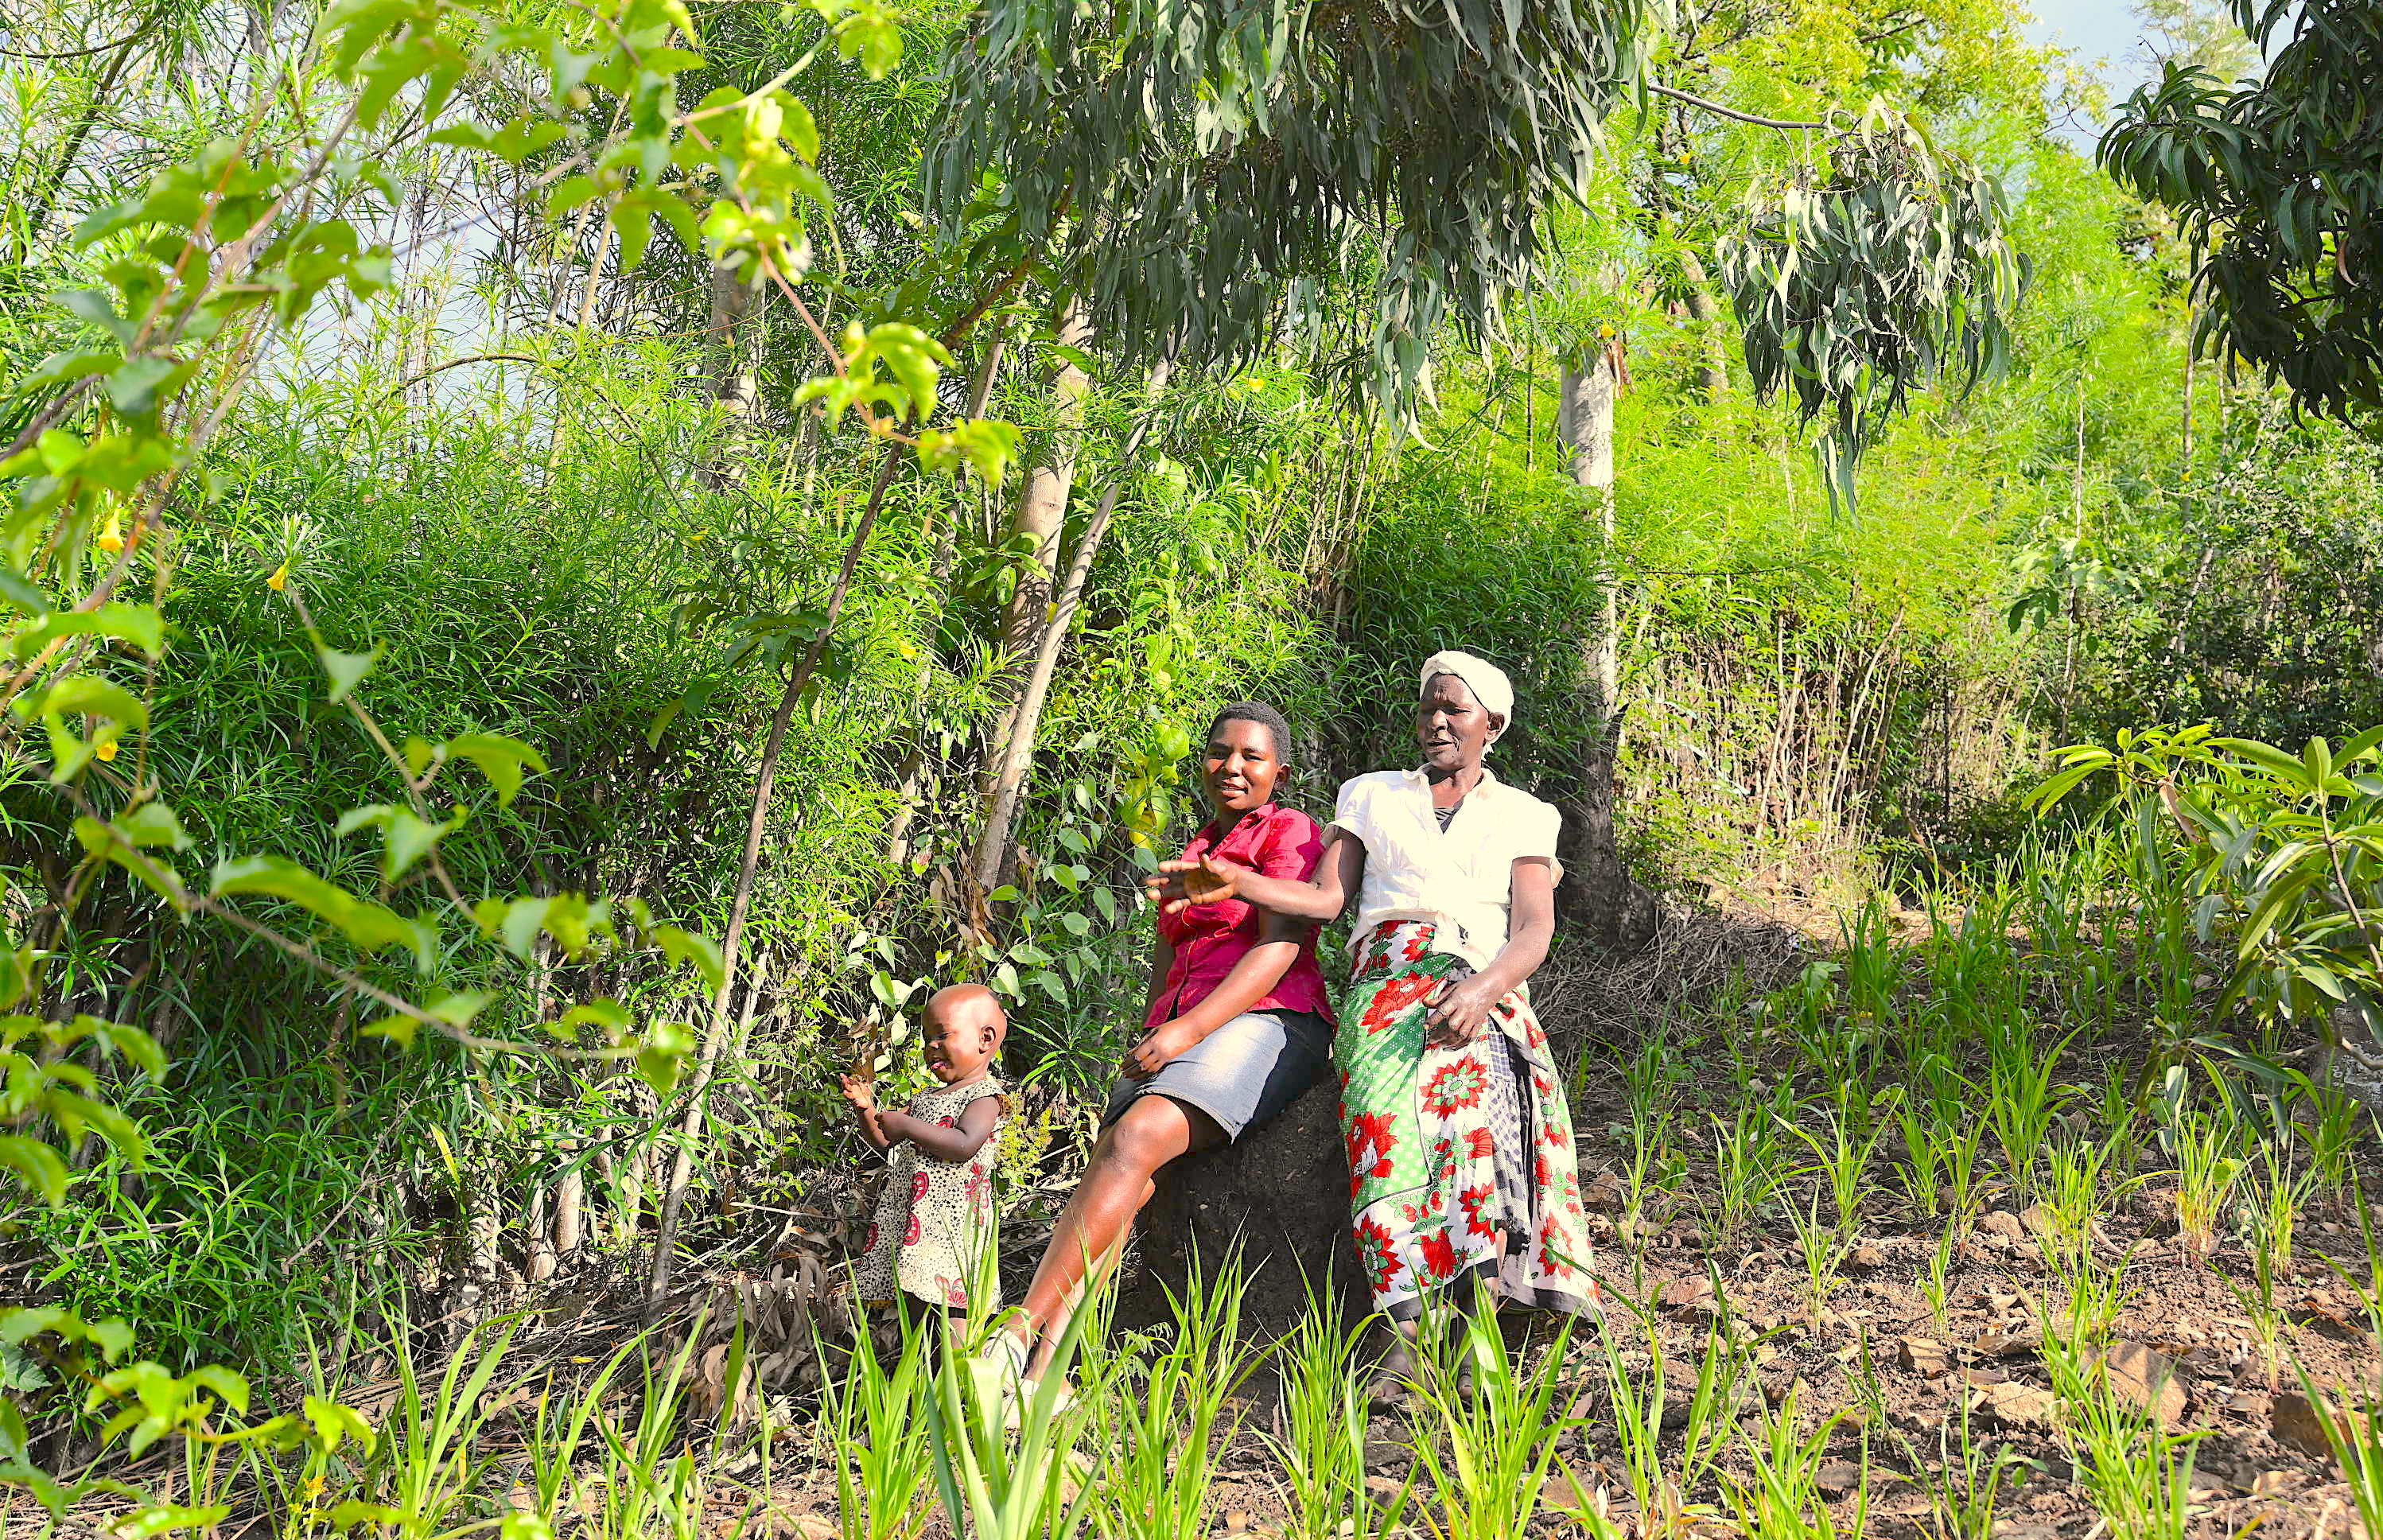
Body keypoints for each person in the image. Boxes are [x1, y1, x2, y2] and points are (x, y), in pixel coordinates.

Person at [1150, 651, 1599, 1402]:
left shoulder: (1526, 814)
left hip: (1480, 984)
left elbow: (1532, 932)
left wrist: (1484, 992)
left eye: (1455, 709)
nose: (1437, 721)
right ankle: (1406, 1328)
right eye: (1428, 707)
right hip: (1386, 985)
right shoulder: (1374, 796)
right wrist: (1233, 879)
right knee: (1386, 1130)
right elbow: (1326, 901)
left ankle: (1480, 1323)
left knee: (1482, 1116)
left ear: (1493, 723)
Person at [978, 702, 1336, 1393]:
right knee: (1118, 1167)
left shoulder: (1290, 830)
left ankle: (1017, 1331)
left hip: (1271, 1019)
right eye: (1219, 752)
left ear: (1279, 773)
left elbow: (1284, 941)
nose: (1232, 766)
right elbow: (1168, 964)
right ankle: (1040, 1377)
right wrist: (1156, 1032)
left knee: (1139, 1134)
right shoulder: (1197, 850)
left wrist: (1189, 1031)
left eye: (1251, 757)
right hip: (1184, 1030)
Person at [844, 983, 1013, 1313]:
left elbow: (964, 1144)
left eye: (942, 1036)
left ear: (986, 1039)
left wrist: (907, 1125)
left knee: (954, 1307)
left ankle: (962, 1363)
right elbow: (884, 1143)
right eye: (926, 1040)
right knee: (916, 1305)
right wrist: (866, 1110)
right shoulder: (925, 1099)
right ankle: (920, 1363)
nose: (931, 1047)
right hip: (912, 1220)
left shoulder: (984, 1096)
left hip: (951, 1227)